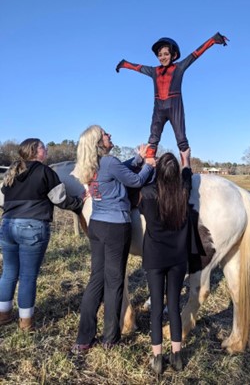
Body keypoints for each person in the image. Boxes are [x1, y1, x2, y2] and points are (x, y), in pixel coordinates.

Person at [71, 125, 155, 353]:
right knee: (115, 281)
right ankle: (110, 337)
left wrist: (137, 157)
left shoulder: (90, 165)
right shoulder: (109, 162)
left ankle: (84, 338)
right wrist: (147, 165)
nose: (110, 136)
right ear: (100, 142)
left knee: (95, 280)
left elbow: (120, 169)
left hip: (96, 225)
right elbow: (135, 181)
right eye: (106, 134)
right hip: (116, 226)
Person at [0, 138, 84, 331]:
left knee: (9, 273)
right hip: (33, 226)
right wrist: (80, 203)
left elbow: (3, 200)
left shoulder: (11, 172)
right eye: (42, 148)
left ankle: (3, 315)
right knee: (28, 276)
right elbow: (60, 199)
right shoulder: (46, 172)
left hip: (7, 225)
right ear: (35, 152)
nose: (46, 150)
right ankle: (25, 322)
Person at [116, 32, 228, 158]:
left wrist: (213, 40)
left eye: (166, 54)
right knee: (153, 138)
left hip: (175, 108)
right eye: (159, 55)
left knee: (181, 139)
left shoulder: (179, 68)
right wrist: (124, 64)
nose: (162, 57)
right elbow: (138, 67)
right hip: (158, 109)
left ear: (173, 55)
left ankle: (186, 170)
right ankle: (149, 166)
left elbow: (195, 54)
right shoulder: (154, 71)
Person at [138, 148, 192, 375]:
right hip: (178, 259)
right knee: (175, 307)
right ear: (176, 174)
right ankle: (177, 356)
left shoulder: (148, 193)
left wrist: (146, 164)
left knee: (157, 310)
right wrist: (186, 159)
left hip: (155, 258)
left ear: (158, 172)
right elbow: (187, 175)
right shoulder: (183, 192)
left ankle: (158, 358)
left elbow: (140, 205)